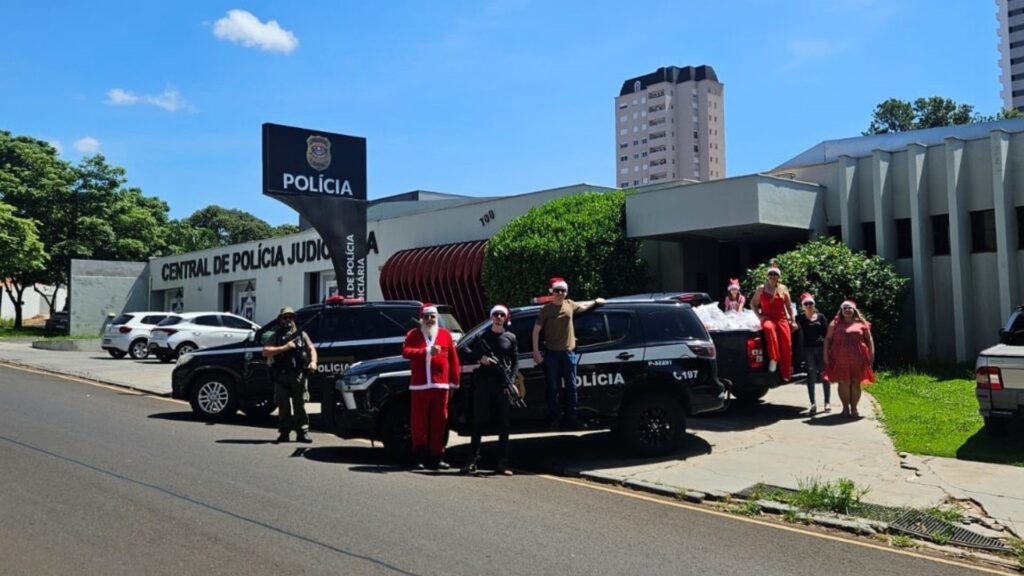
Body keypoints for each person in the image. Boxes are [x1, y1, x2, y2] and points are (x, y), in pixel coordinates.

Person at [532, 277, 605, 429]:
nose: (560, 293)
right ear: (552, 291)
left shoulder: (570, 304)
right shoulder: (546, 309)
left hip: (568, 353)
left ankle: (571, 417)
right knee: (553, 388)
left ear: (566, 292)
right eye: (557, 290)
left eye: (563, 290)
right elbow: (536, 330)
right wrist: (536, 351)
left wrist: (596, 302)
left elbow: (584, 307)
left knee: (572, 387)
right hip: (552, 354)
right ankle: (555, 419)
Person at [403, 303, 461, 470]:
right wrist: (427, 351)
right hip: (419, 386)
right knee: (418, 423)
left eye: (432, 317)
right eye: (427, 317)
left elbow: (454, 360)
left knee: (439, 422)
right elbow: (406, 352)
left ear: (436, 318)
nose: (429, 320)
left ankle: (437, 456)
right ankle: (419, 456)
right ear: (422, 318)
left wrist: (454, 382)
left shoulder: (445, 335)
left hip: (440, 385)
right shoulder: (413, 334)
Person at [462, 304, 518, 476]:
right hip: (484, 384)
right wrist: (481, 358)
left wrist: (512, 382)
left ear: (506, 318)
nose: (499, 318)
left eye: (502, 315)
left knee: (503, 425)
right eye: (496, 315)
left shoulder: (510, 337)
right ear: (491, 317)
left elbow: (515, 361)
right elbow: (464, 350)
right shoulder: (482, 336)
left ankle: (503, 462)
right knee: (478, 423)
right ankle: (472, 461)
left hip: (502, 385)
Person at [263, 306, 317, 443]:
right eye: (285, 317)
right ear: (280, 319)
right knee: (283, 406)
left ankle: (302, 432)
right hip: (281, 375)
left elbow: (311, 348)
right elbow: (265, 351)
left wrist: (314, 362)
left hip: (298, 374)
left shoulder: (301, 334)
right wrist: (284, 347)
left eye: (290, 317)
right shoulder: (276, 335)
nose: (288, 320)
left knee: (300, 405)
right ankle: (284, 432)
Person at [824, 299, 875, 419]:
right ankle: (845, 408)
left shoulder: (862, 323)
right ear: (841, 311)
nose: (847, 310)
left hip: (859, 358)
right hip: (840, 358)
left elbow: (869, 340)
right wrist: (825, 356)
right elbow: (827, 339)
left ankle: (854, 408)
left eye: (849, 308)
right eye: (844, 308)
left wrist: (871, 355)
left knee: (856, 383)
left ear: (854, 310)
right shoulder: (835, 323)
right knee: (843, 383)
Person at [750, 264, 796, 381]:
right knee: (769, 329)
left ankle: (786, 373)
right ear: (767, 276)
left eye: (775, 274)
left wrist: (793, 320)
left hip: (781, 318)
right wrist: (759, 316)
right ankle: (774, 358)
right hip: (768, 318)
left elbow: (789, 306)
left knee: (786, 344)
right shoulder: (761, 288)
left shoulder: (783, 288)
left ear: (778, 276)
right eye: (771, 274)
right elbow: (753, 304)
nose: (773, 276)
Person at [794, 292, 829, 415]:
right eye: (806, 304)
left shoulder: (821, 317)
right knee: (811, 376)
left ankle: (827, 402)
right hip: (807, 350)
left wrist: (825, 344)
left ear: (814, 305)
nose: (809, 305)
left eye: (811, 303)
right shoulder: (799, 319)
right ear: (803, 306)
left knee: (824, 375)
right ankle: (813, 403)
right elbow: (793, 330)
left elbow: (827, 333)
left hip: (820, 348)